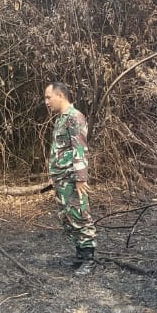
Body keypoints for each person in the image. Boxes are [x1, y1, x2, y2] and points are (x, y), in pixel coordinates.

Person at [44, 81, 97, 276]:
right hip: (62, 179)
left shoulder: (75, 117)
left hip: (72, 179)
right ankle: (80, 255)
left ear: (61, 96)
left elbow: (80, 148)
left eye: (49, 97)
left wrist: (81, 178)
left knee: (80, 216)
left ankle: (89, 259)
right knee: (69, 217)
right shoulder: (61, 119)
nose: (46, 102)